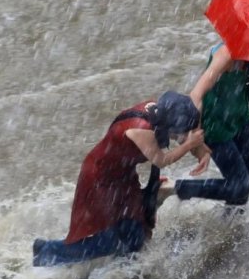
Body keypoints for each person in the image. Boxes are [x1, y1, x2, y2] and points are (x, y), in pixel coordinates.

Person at [32, 91, 208, 267]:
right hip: (100, 179)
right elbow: (161, 160)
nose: (181, 136)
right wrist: (189, 145)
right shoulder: (140, 128)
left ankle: (120, 270)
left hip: (122, 174)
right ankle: (47, 251)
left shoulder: (162, 110)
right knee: (112, 239)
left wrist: (201, 152)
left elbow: (185, 132)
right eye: (180, 132)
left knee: (135, 232)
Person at [166, 42, 249, 208]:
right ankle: (172, 187)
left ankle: (230, 223)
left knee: (248, 181)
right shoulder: (225, 55)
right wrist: (198, 142)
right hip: (215, 127)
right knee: (240, 186)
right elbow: (196, 96)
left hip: (240, 118)